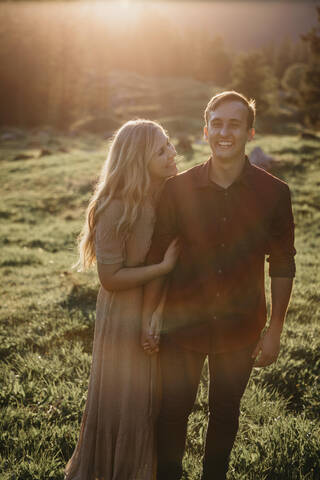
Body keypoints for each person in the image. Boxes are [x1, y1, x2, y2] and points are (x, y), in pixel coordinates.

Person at [141, 91, 296, 480]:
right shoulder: (177, 190)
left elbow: (282, 263)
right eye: (218, 123)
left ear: (250, 132)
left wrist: (274, 330)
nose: (225, 132)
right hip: (182, 322)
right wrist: (151, 313)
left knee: (225, 413)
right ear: (206, 129)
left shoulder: (275, 193)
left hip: (242, 324)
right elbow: (160, 257)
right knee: (172, 411)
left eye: (235, 124)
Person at [65, 119, 179, 480]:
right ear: (136, 159)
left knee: (151, 398)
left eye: (169, 144)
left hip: (158, 305)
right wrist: (163, 267)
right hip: (123, 313)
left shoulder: (166, 194)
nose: (171, 153)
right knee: (127, 399)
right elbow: (110, 279)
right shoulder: (115, 206)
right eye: (160, 150)